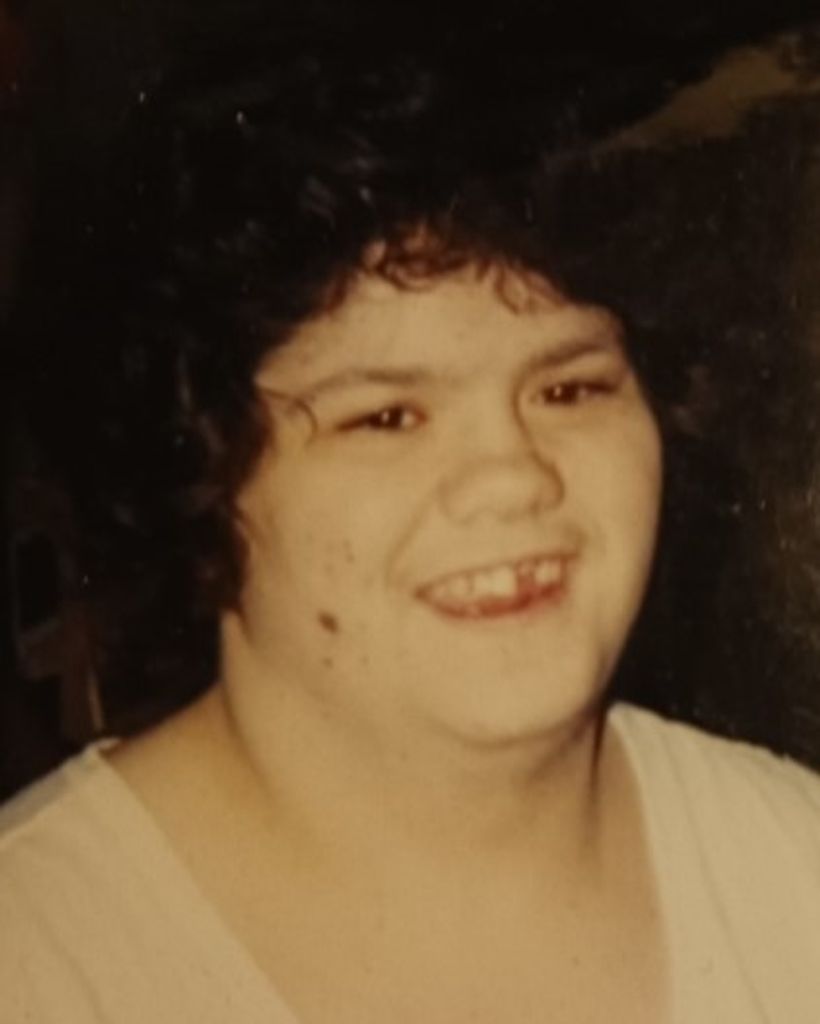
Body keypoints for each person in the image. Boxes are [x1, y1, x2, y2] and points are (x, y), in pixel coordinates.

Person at [3, 11, 820, 1023]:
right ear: (199, 469)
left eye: (569, 388)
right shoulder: (37, 960)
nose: (512, 477)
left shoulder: (791, 865)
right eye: (385, 416)